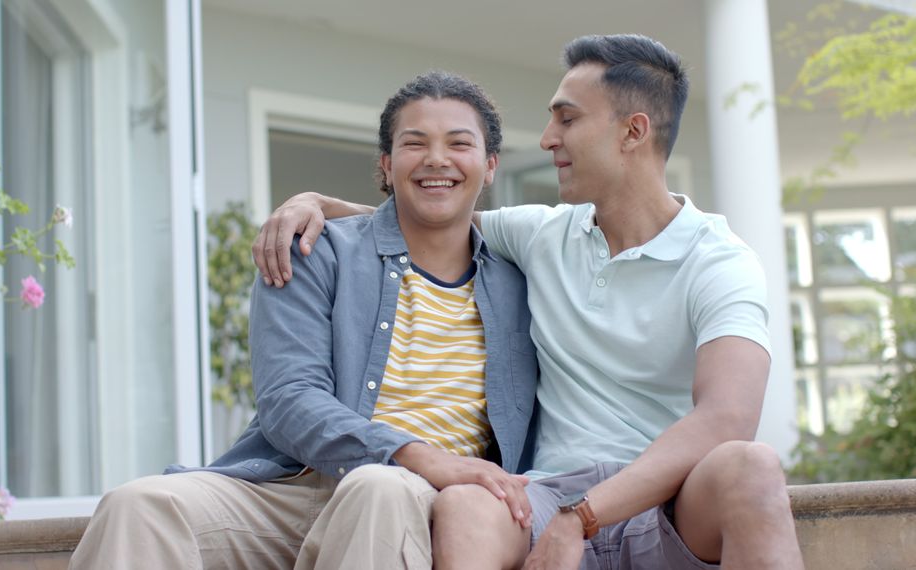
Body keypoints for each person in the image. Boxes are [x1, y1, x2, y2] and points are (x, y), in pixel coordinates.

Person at [252, 34, 804, 569]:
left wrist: (583, 517)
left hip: (667, 501)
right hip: (542, 497)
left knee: (750, 466)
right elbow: (428, 219)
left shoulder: (721, 261)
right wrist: (311, 203)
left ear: (632, 132)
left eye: (567, 119)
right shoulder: (542, 234)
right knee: (466, 502)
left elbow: (728, 417)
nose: (546, 138)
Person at [69, 71, 538, 570]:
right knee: (138, 506)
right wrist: (412, 451)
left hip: (423, 498)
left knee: (377, 487)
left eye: (458, 144)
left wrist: (428, 468)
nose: (437, 159)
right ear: (386, 164)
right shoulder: (317, 250)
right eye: (414, 143)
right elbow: (288, 399)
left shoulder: (521, 282)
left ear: (490, 166)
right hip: (293, 485)